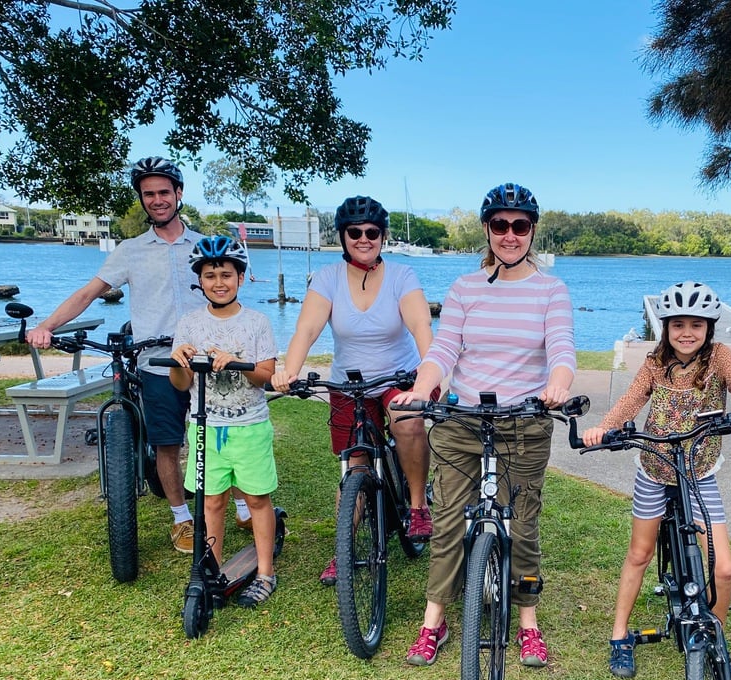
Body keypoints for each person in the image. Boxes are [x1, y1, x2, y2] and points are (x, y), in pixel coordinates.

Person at [391, 182, 576, 668]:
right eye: (500, 225)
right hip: (465, 418)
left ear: (532, 232)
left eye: (520, 226)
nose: (510, 235)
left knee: (522, 523)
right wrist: (422, 386)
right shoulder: (465, 288)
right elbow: (444, 348)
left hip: (525, 420)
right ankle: (434, 622)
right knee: (449, 518)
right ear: (487, 230)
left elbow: (560, 347)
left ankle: (528, 623)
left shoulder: (551, 290)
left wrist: (557, 382)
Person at [582, 282, 731, 678]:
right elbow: (631, 400)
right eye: (678, 325)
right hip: (655, 469)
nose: (687, 333)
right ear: (666, 328)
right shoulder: (654, 362)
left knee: (722, 569)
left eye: (697, 325)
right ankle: (619, 635)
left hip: (699, 472)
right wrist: (603, 428)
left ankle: (714, 638)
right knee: (639, 553)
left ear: (710, 328)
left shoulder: (720, 358)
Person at [28, 156, 213, 553]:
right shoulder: (130, 251)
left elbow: (228, 296)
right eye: (149, 194)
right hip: (156, 361)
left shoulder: (203, 246)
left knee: (219, 437)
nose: (157, 200)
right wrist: (46, 326)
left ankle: (239, 503)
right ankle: (181, 517)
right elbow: (87, 293)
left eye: (164, 192)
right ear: (142, 200)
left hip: (204, 361)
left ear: (178, 194)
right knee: (167, 442)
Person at [269, 195, 436, 585]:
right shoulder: (327, 278)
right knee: (354, 464)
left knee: (407, 421)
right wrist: (288, 370)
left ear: (382, 236)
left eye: (372, 232)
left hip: (398, 378)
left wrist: (431, 371)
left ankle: (416, 506)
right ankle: (343, 549)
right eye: (355, 232)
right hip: (349, 383)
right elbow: (307, 329)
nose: (364, 239)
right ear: (343, 236)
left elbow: (421, 327)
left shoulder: (402, 276)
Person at [169, 236, 280, 607]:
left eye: (227, 275)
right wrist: (179, 361)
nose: (219, 282)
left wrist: (235, 361)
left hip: (249, 425)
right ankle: (212, 570)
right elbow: (180, 384)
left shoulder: (257, 323)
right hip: (204, 427)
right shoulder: (188, 324)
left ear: (241, 278)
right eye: (210, 275)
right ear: (199, 280)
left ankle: (265, 572)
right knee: (211, 502)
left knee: (257, 500)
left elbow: (265, 373)